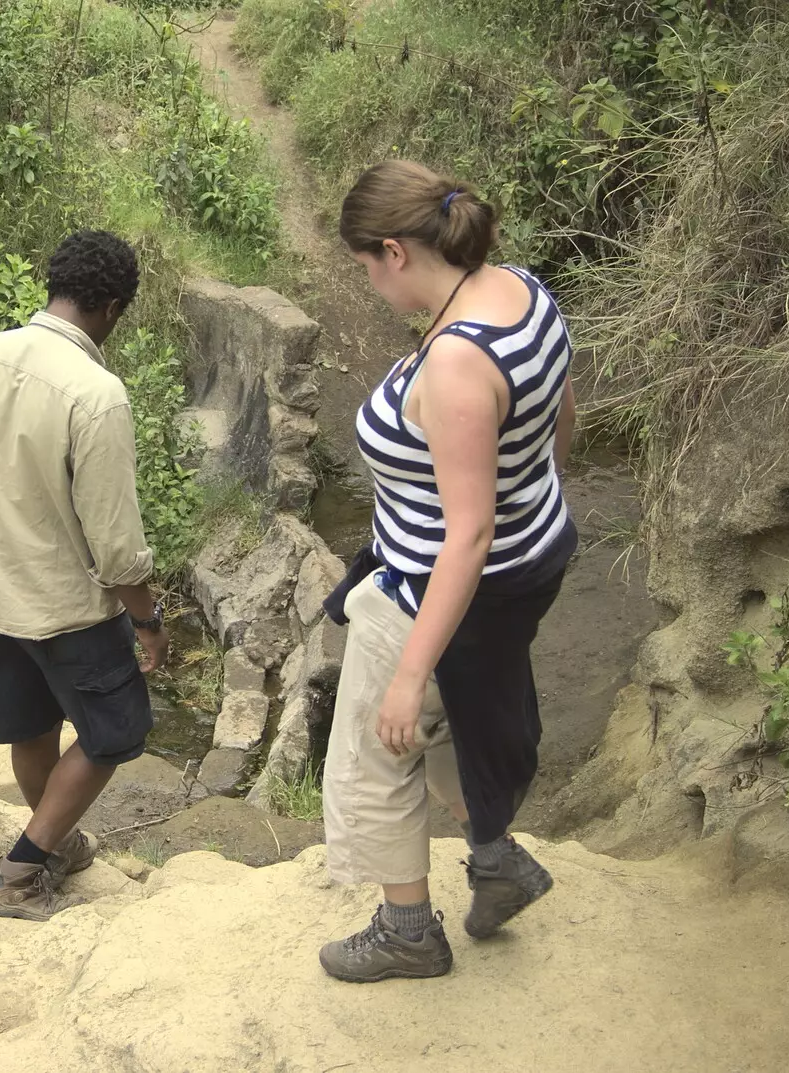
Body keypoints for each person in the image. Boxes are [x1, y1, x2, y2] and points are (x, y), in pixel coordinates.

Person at [316, 160, 577, 982]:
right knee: (463, 709)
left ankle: (406, 931)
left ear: (395, 251)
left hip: (442, 584)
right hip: (533, 556)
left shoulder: (458, 362)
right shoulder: (520, 290)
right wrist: (541, 490)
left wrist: (409, 667)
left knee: (376, 742)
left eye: (365, 267)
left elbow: (466, 534)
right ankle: (496, 860)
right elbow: (562, 410)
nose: (369, 285)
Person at [0, 229, 170, 923]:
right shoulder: (97, 394)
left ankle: (54, 842)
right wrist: (148, 622)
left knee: (31, 726)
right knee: (117, 730)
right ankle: (20, 869)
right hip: (68, 610)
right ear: (112, 307)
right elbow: (117, 549)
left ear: (52, 286)